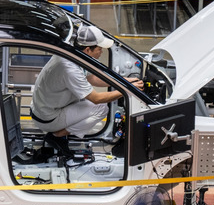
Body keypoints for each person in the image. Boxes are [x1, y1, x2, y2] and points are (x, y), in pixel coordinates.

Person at [29, 25, 143, 156]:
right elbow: (96, 99)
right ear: (88, 49)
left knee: (87, 99)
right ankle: (57, 135)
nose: (101, 52)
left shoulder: (74, 52)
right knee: (101, 108)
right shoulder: (69, 68)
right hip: (48, 118)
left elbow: (92, 78)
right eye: (99, 49)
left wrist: (125, 82)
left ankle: (60, 133)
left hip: (44, 109)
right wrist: (128, 91)